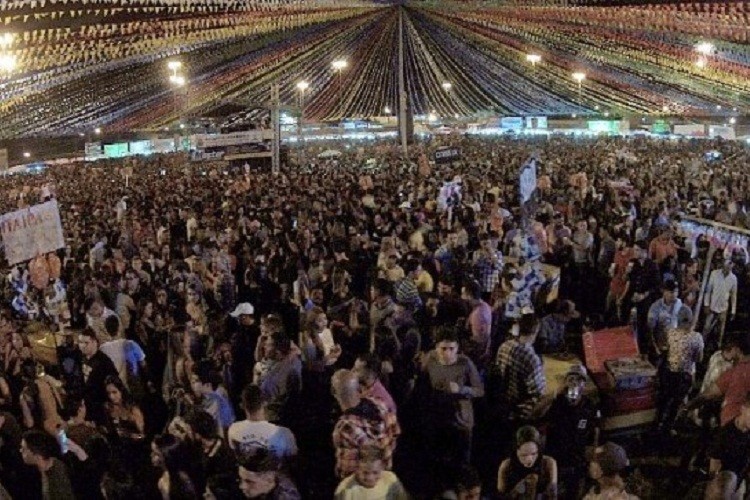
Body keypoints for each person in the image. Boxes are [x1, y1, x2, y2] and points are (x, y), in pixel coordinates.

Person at [417, 326, 484, 468]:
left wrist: (461, 389)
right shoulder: (430, 359)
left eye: (451, 349)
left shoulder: (465, 363)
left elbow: (479, 390)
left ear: (457, 348)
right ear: (436, 347)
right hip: (438, 413)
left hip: (460, 415)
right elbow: (422, 383)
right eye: (443, 349)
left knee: (462, 458)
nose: (448, 353)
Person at [331, 369, 400, 479]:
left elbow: (345, 473)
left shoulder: (344, 428)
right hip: (387, 473)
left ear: (334, 393)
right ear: (359, 389)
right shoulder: (379, 403)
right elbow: (396, 432)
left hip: (366, 484)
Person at [545, 365, 600, 500]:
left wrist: (591, 457)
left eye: (579, 379)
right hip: (556, 458)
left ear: (584, 384)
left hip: (576, 460)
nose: (574, 382)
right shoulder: (557, 403)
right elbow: (536, 414)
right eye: (571, 378)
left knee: (574, 493)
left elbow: (594, 432)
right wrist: (553, 395)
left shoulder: (589, 407)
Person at [227, 385, 297, 467]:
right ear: (264, 403)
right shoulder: (284, 434)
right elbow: (293, 461)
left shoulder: (233, 429)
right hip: (273, 478)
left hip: (247, 478)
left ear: (242, 405)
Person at [658, 305, 703, 432]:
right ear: (691, 320)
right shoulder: (696, 337)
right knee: (676, 403)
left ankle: (658, 423)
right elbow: (699, 359)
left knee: (665, 399)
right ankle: (668, 427)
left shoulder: (670, 333)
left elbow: (664, 349)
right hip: (684, 376)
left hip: (668, 373)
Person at [497, 425, 558, 499]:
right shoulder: (506, 465)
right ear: (516, 451)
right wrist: (518, 489)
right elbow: (501, 496)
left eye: (533, 454)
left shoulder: (548, 463)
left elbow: (553, 494)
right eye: (524, 455)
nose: (529, 459)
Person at [334, 446, 408, 499]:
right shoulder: (345, 490)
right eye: (365, 473)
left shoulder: (391, 480)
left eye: (375, 472)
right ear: (356, 468)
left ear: (382, 467)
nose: (370, 478)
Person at [78, 328, 119, 425]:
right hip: (88, 406)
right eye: (80, 342)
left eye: (86, 343)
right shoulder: (83, 358)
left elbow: (114, 383)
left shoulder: (104, 362)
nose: (82, 346)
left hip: (100, 409)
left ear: (94, 342)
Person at [20, 429, 76, 500]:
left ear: (38, 456)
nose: (20, 450)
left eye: (24, 449)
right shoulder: (36, 470)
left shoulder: (58, 478)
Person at [707, 396, 750, 483]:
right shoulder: (725, 435)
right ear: (743, 409)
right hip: (724, 483)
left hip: (740, 482)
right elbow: (714, 466)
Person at [703, 259, 737, 349]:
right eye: (726, 265)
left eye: (730, 265)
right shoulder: (714, 274)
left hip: (723, 308)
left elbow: (733, 296)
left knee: (720, 331)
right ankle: (702, 345)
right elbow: (708, 290)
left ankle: (718, 347)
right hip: (712, 306)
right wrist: (706, 304)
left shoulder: (734, 279)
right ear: (723, 265)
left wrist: (733, 311)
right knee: (706, 327)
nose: (728, 268)